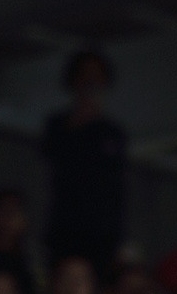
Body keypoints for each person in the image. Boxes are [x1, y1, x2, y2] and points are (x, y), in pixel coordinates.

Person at [40, 50, 127, 277]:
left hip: (102, 232)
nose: (91, 82)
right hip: (64, 226)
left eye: (96, 76)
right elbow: (49, 162)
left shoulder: (113, 132)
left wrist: (119, 238)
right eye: (85, 74)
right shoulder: (58, 124)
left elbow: (118, 187)